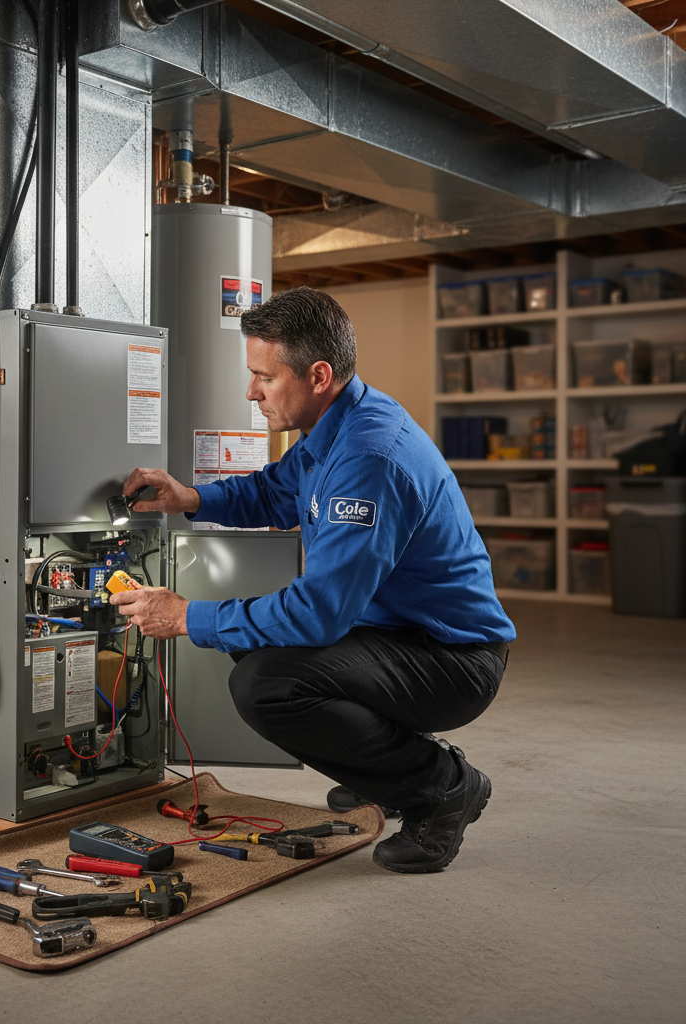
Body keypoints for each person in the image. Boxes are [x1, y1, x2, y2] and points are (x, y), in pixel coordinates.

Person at [109, 287, 515, 873]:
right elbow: (274, 490)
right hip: (395, 635)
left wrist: (187, 616)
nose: (251, 391)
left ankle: (443, 786)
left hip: (453, 659)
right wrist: (191, 497)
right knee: (255, 650)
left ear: (318, 374)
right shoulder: (334, 427)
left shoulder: (369, 457)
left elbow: (319, 612)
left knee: (266, 685)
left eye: (263, 377)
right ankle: (378, 767)